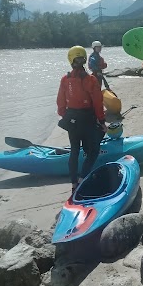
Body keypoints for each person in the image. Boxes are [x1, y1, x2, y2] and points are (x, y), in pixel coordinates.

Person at [57, 46, 108, 193]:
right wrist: (102, 122)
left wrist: (66, 117)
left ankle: (73, 184)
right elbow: (98, 103)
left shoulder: (65, 79)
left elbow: (60, 104)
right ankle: (82, 178)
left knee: (74, 151)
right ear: (84, 59)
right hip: (87, 120)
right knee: (92, 151)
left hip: (71, 120)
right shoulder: (91, 80)